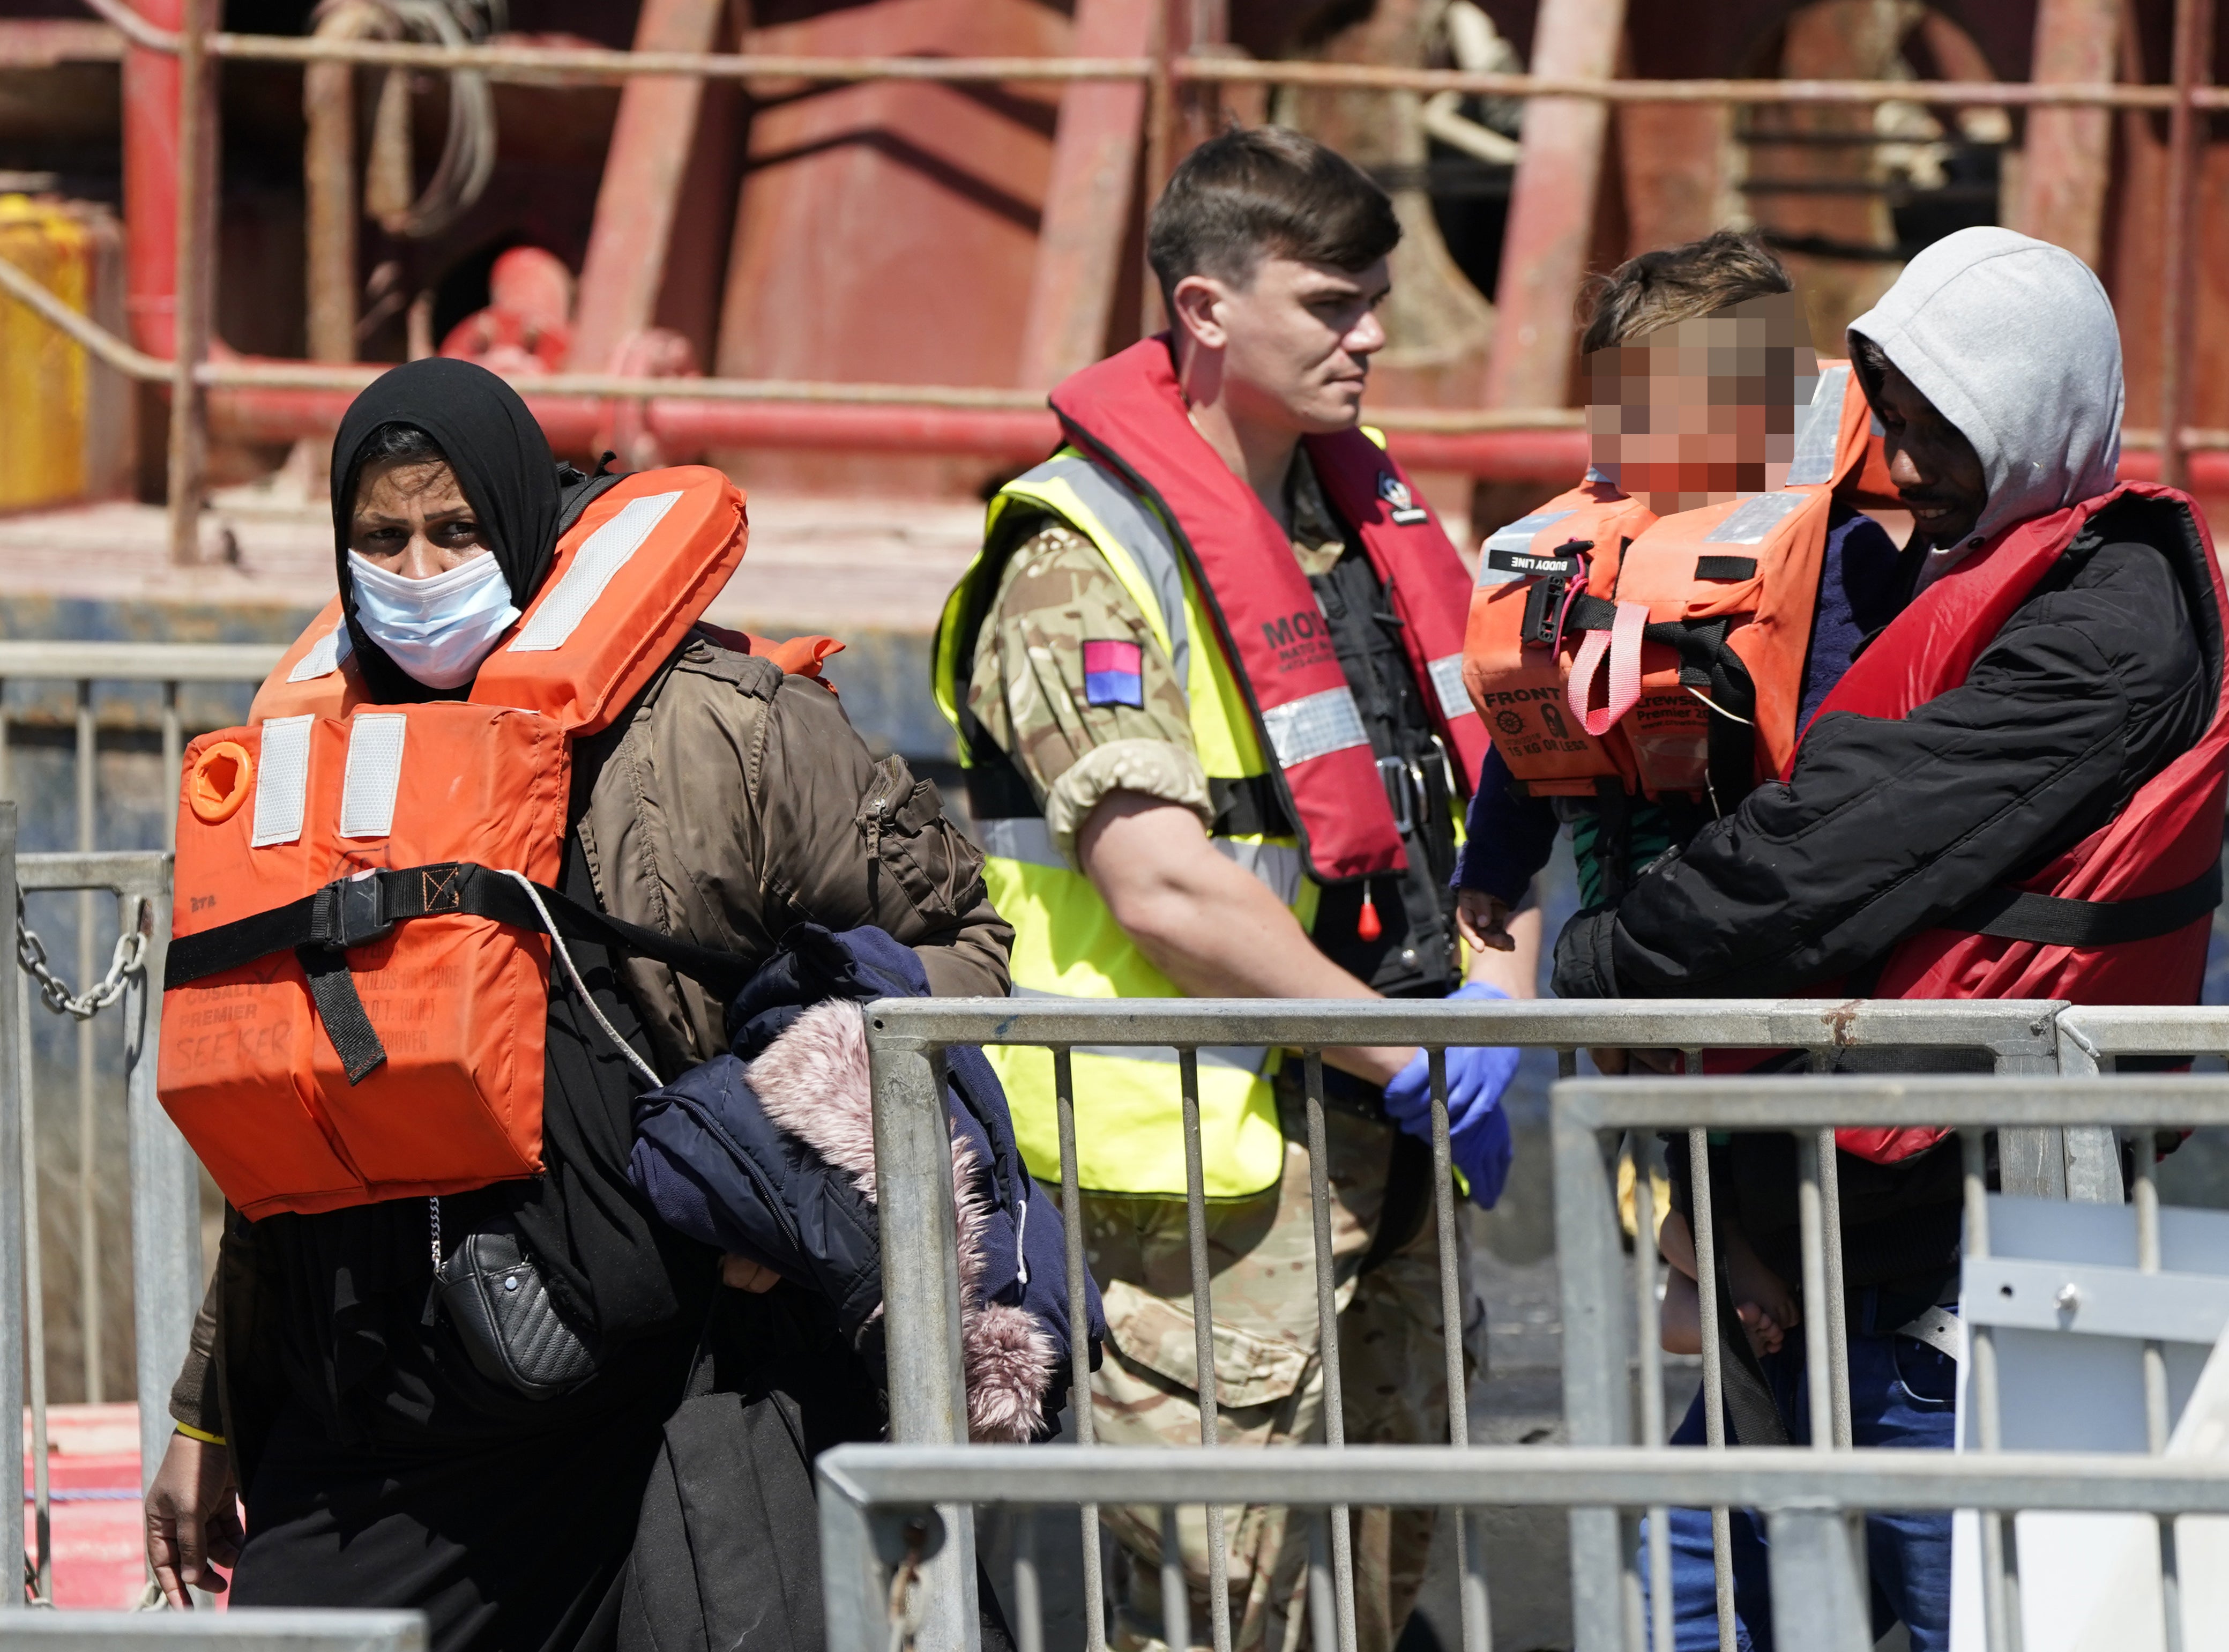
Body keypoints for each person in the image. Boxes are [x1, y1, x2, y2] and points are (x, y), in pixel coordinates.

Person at [143, 358, 1016, 1651]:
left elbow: (963, 945)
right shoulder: (310, 769)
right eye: (382, 538)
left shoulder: (728, 732)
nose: (421, 567)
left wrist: (784, 1142)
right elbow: (289, 1134)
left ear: (525, 525)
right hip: (380, 1405)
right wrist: (209, 1413)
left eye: (457, 529)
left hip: (669, 1391)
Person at [1551, 227, 2229, 1649]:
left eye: (1948, 438)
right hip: (1827, 1228)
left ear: (2037, 425)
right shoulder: (1968, 559)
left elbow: (1851, 839)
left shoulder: (2106, 627)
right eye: (1899, 429)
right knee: (1693, 1589)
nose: (1909, 472)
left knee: (1938, 1612)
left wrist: (1603, 964)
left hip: (1954, 1245)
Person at [933, 126, 1532, 1652]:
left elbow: (1476, 794)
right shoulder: (1078, 555)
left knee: (1383, 1583)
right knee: (1223, 1611)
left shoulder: (1368, 523)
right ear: (1204, 311)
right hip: (1212, 1199)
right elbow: (1162, 886)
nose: (1374, 335)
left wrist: (1498, 996)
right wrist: (1413, 1053)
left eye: (1377, 297)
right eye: (1333, 303)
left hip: (1391, 1159)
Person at [1453, 230, 1919, 952]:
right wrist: (1493, 864)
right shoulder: (1590, 555)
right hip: (1617, 905)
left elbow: (1868, 730)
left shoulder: (1836, 549)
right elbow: (1533, 726)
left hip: (1771, 897)